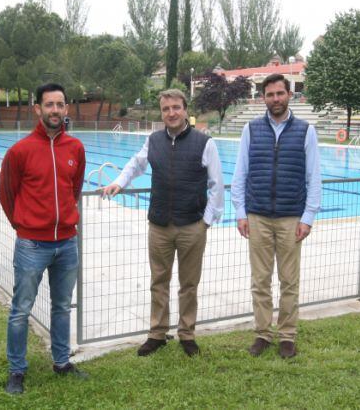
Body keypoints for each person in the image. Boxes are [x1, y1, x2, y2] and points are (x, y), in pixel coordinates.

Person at [102, 89, 224, 358]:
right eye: (166, 108)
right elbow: (136, 165)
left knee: (189, 284)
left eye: (176, 107)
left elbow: (217, 185)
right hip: (159, 225)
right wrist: (119, 182)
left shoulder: (205, 143)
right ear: (162, 111)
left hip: (192, 224)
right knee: (159, 282)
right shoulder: (154, 140)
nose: (171, 113)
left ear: (185, 109)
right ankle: (157, 333)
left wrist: (206, 221)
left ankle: (187, 334)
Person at [0, 83, 87, 395]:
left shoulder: (75, 148)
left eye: (60, 105)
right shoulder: (19, 151)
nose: (55, 110)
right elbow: (6, 195)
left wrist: (64, 221)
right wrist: (24, 226)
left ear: (66, 109)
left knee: (62, 306)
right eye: (49, 105)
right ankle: (17, 370)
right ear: (37, 109)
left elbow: (74, 191)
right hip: (32, 245)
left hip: (66, 243)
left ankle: (61, 362)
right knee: (21, 309)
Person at [230, 73, 322, 359]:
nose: (275, 99)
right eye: (270, 95)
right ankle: (262, 333)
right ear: (263, 98)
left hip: (290, 218)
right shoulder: (251, 129)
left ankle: (287, 336)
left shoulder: (305, 130)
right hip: (257, 216)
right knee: (260, 280)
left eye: (280, 93)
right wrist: (240, 212)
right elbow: (240, 173)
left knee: (289, 281)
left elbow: (314, 177)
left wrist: (307, 217)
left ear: (288, 95)